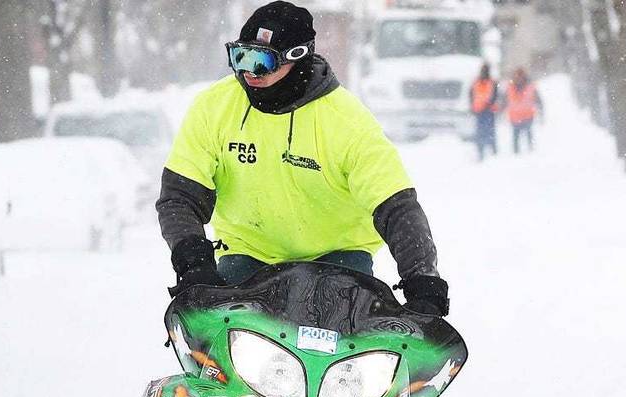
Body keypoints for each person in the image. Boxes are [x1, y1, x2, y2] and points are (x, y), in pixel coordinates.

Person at [156, 1, 449, 316]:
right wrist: (194, 263)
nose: (247, 72)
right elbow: (179, 197)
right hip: (248, 259)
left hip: (339, 262)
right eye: (239, 56)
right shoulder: (213, 108)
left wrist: (422, 279)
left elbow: (397, 208)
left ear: (297, 57)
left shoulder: (346, 122)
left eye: (261, 62)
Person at [505, 68, 543, 154]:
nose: (519, 79)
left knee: (528, 136)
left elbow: (539, 100)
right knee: (516, 138)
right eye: (517, 76)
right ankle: (516, 155)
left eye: (520, 76)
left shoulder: (530, 87)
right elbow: (504, 101)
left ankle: (531, 153)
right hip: (515, 117)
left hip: (527, 116)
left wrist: (541, 112)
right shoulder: (510, 87)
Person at [469, 63, 499, 161]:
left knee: (488, 132)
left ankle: (492, 153)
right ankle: (482, 153)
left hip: (487, 111)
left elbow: (495, 96)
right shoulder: (477, 82)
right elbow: (471, 95)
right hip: (480, 111)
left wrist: (489, 104)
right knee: (482, 133)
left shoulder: (491, 82)